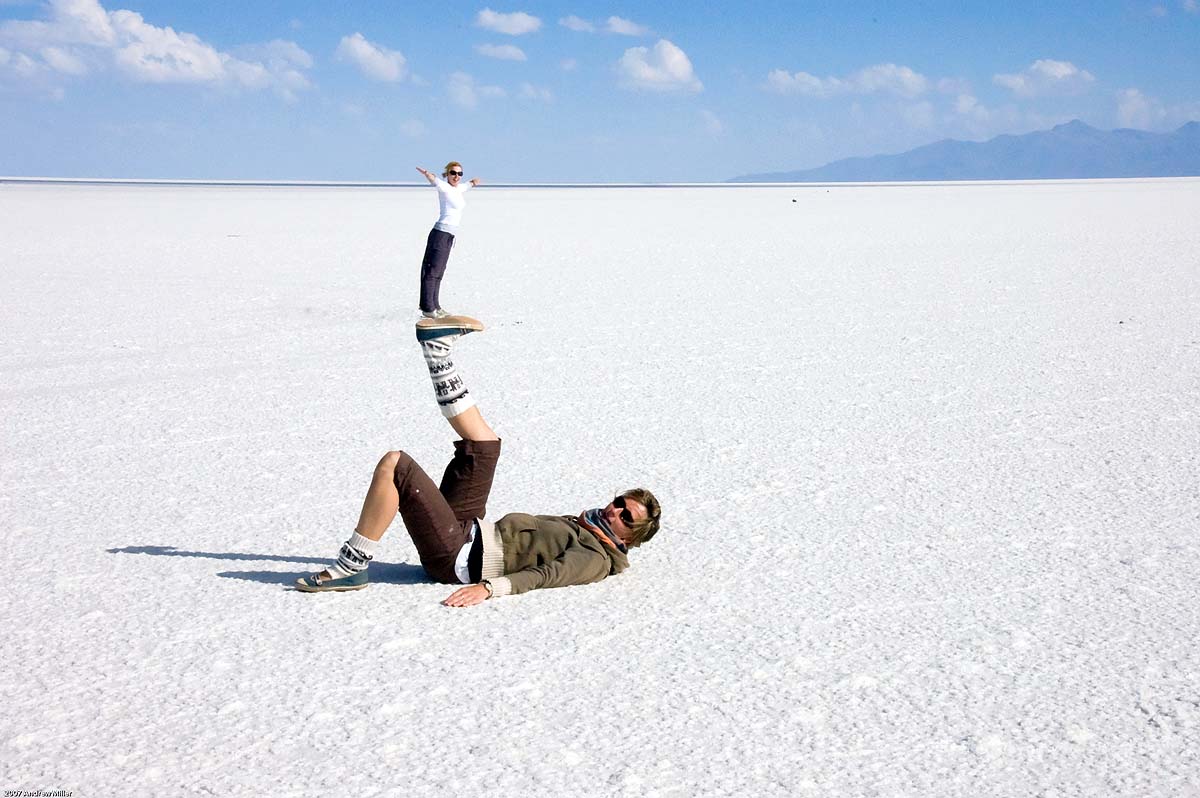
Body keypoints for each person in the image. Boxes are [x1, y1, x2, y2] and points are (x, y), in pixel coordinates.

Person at [296, 317, 662, 606]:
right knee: (485, 444)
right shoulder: (586, 526)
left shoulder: (596, 557)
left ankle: (351, 566)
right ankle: (438, 352)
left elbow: (547, 575)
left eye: (626, 517)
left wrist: (489, 589)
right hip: (472, 528)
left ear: (632, 537)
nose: (615, 512)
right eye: (619, 503)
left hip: (456, 557)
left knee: (396, 465)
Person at [415, 162, 480, 319]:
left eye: (459, 173)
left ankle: (435, 306)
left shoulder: (458, 189)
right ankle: (428, 308)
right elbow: (435, 181)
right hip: (440, 233)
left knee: (439, 272)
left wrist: (472, 182)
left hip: (449, 235)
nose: (456, 176)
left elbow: (465, 186)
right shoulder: (444, 187)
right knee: (432, 271)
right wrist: (427, 174)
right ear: (447, 174)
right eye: (453, 173)